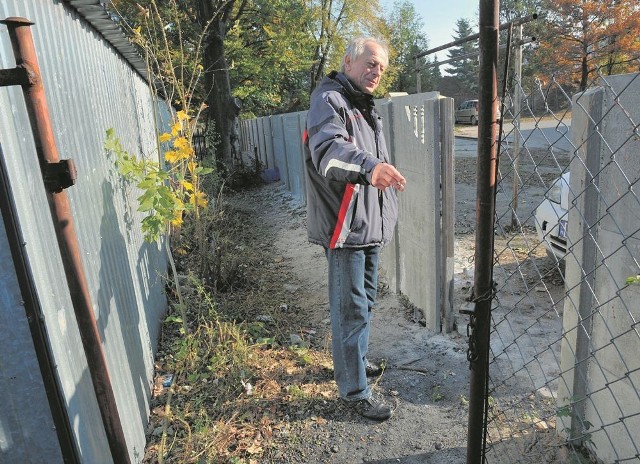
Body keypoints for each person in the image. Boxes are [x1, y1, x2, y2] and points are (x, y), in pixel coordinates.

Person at [303, 37, 406, 421]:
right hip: (345, 227)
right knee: (351, 309)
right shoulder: (329, 101)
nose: (376, 71)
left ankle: (355, 365)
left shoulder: (362, 105)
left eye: (381, 67)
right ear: (348, 61)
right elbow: (329, 153)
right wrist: (369, 167)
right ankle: (353, 390)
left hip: (366, 226)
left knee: (364, 303)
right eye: (370, 63)